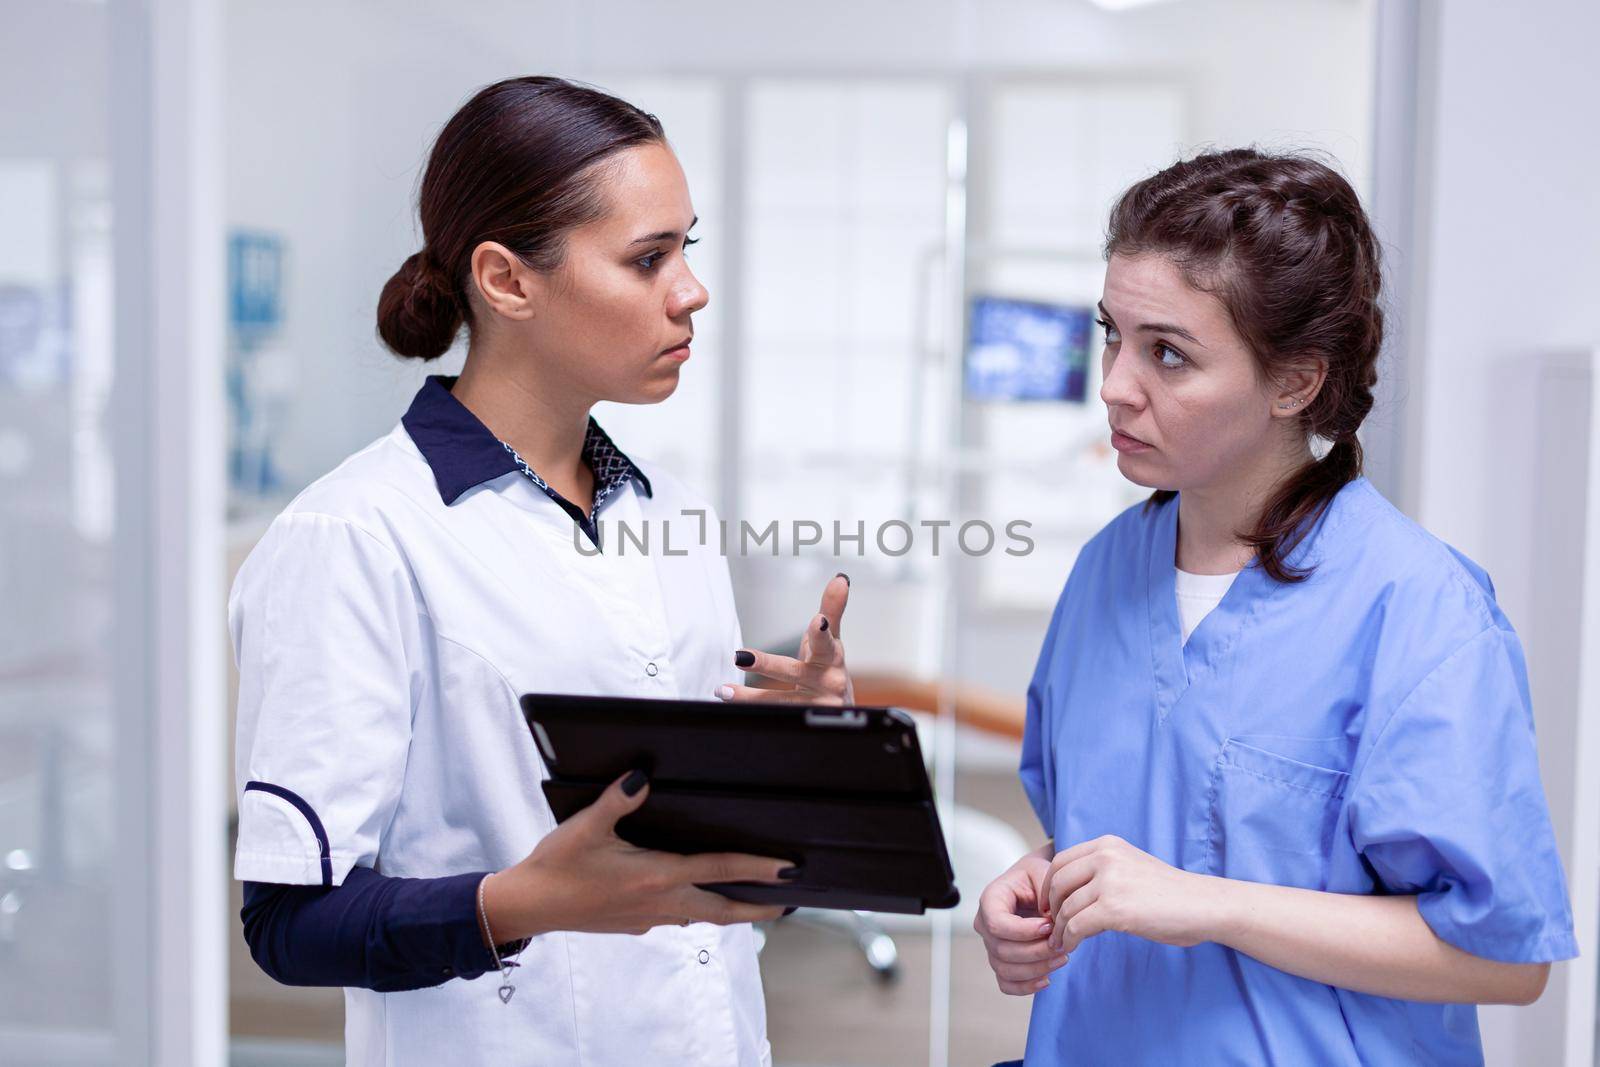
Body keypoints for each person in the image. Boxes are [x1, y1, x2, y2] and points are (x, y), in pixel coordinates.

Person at [231, 76, 849, 1067]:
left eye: (686, 248)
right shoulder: (353, 535)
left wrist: (798, 753)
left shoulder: (673, 513)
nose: (690, 290)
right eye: (647, 258)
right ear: (507, 280)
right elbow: (291, 923)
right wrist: (528, 900)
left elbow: (707, 872)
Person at [972, 149, 1576, 1065]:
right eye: (1113, 334)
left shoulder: (1418, 610)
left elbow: (1502, 957)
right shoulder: (1105, 573)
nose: (1113, 385)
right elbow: (1117, 821)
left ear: (1295, 382)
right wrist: (1041, 886)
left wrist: (1210, 901)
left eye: (1167, 353)